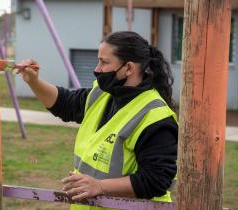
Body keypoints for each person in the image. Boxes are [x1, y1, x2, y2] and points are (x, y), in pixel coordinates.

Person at [18, 31, 178, 210]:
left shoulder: (155, 117)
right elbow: (65, 103)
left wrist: (100, 187)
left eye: (104, 62)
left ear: (129, 68)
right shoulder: (103, 93)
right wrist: (34, 81)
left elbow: (155, 180)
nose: (97, 69)